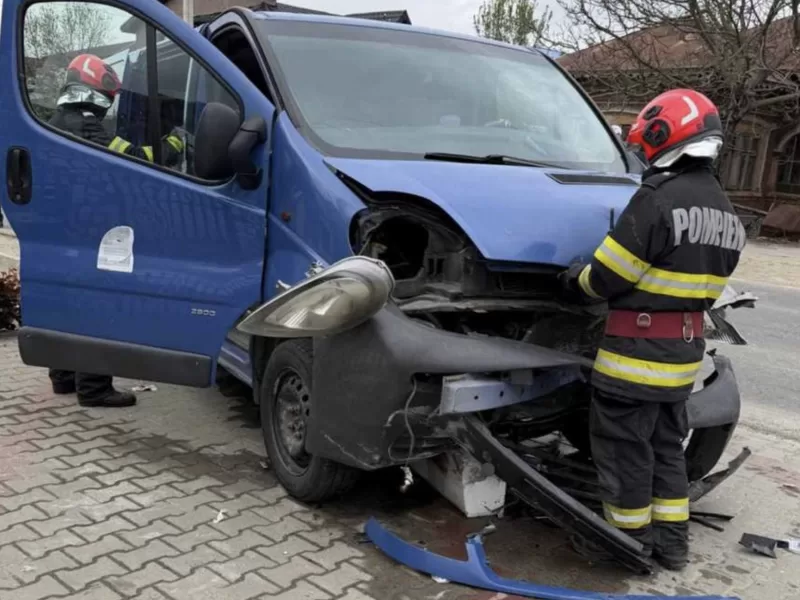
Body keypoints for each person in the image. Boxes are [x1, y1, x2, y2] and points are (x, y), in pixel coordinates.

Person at [560, 89, 745, 571]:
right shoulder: (727, 213)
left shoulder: (657, 200)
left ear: (666, 137)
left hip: (633, 358)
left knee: (624, 452)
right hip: (680, 358)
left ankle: (627, 546)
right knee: (666, 449)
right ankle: (672, 544)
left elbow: (605, 278)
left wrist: (570, 280)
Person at [46, 53, 185, 408]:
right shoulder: (87, 126)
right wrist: (175, 144)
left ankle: (62, 377)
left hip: (62, 227)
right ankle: (94, 389)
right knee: (97, 304)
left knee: (68, 302)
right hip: (91, 228)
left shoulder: (55, 119)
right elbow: (135, 158)